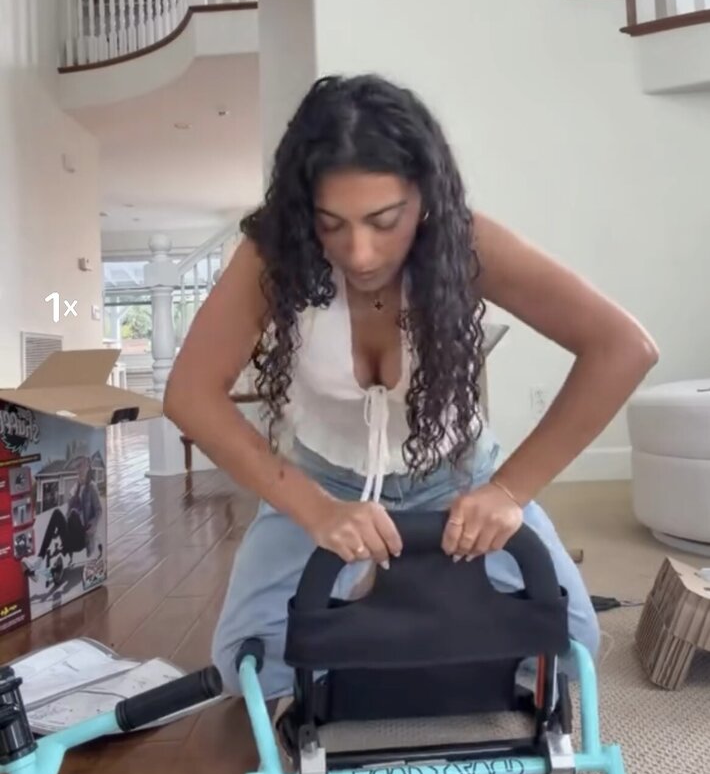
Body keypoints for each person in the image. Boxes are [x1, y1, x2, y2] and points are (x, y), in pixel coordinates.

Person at [164, 73, 658, 702]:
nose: (360, 253)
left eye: (384, 220)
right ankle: (390, 612)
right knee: (250, 670)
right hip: (323, 481)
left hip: (456, 479)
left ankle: (391, 617)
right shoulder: (273, 255)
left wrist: (509, 491)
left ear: (424, 197)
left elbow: (624, 348)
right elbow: (190, 393)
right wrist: (315, 510)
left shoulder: (466, 241)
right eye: (331, 224)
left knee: (567, 651)